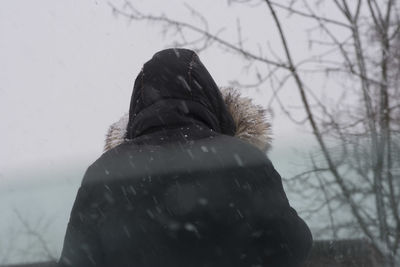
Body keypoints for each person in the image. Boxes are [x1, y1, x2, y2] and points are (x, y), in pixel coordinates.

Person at [58, 48, 312, 267]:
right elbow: (292, 246)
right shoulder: (239, 158)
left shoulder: (106, 172)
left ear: (137, 105)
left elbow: (76, 261)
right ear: (211, 99)